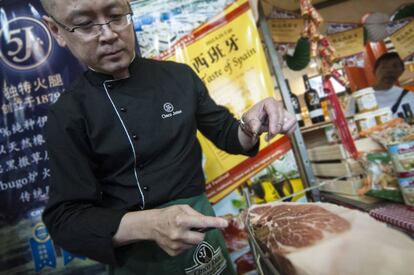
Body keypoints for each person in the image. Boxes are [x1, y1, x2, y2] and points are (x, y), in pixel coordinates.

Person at [39, 0, 297, 274]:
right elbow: (65, 220)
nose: (108, 34)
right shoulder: (67, 114)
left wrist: (251, 124)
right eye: (85, 24)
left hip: (202, 235)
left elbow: (228, 136)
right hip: (139, 256)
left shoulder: (178, 77)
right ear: (57, 31)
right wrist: (150, 224)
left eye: (116, 16)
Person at [347, 52, 414, 116]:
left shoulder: (409, 96)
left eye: (395, 66)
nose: (390, 71)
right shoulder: (357, 98)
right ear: (374, 71)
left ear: (401, 71)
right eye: (384, 67)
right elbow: (349, 124)